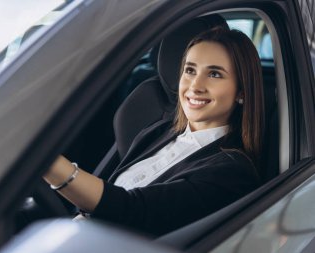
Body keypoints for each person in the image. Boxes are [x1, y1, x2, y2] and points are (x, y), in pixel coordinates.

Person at [43, 26, 265, 236]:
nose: (195, 85)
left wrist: (45, 161)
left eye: (214, 74)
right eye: (189, 70)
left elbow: (132, 210)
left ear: (241, 92)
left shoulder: (232, 172)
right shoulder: (159, 131)